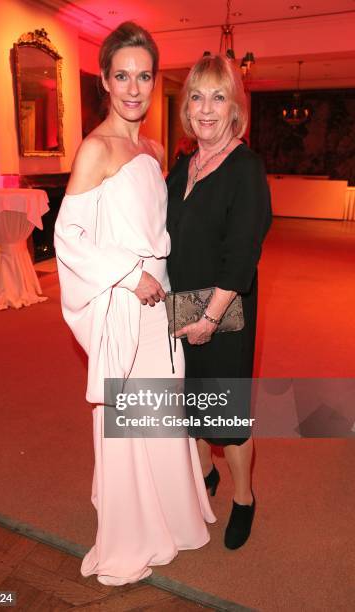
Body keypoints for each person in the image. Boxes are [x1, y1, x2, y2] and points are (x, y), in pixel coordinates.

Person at [54, 22, 215, 587]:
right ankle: (131, 529)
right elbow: (67, 237)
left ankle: (169, 515)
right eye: (122, 75)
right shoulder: (96, 148)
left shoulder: (146, 147)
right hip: (127, 303)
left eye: (144, 76)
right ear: (104, 79)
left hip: (161, 302)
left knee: (162, 412)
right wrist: (128, 275)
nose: (134, 88)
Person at [166, 54, 272, 550]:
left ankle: (245, 497)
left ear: (235, 108)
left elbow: (240, 256)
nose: (206, 109)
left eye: (218, 97)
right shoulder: (182, 165)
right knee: (190, 406)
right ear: (186, 106)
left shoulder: (245, 169)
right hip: (178, 309)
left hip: (223, 315)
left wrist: (209, 318)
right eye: (196, 96)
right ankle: (204, 477)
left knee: (227, 420)